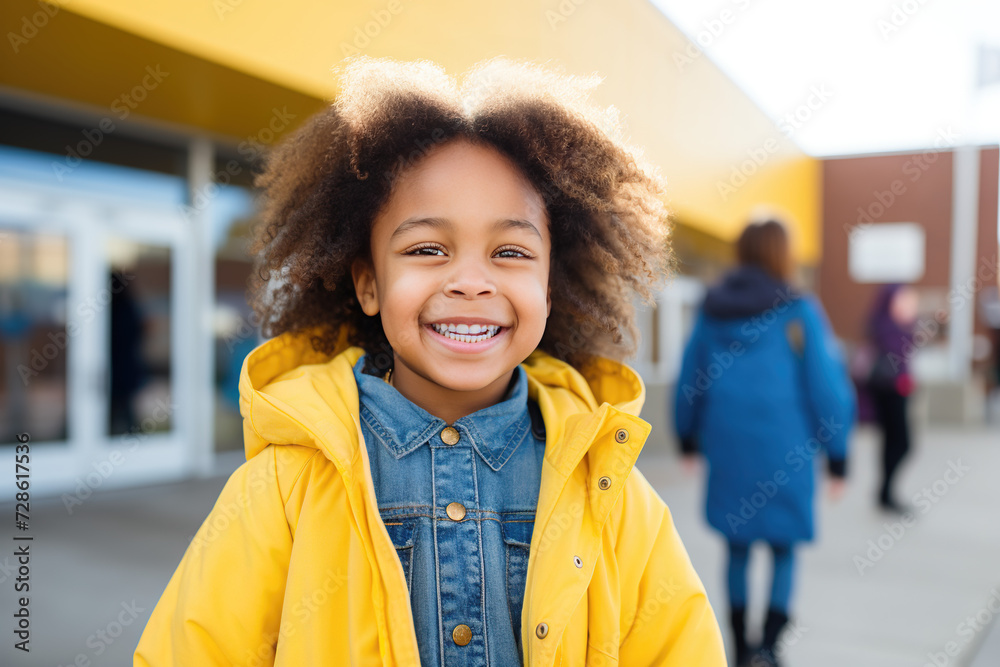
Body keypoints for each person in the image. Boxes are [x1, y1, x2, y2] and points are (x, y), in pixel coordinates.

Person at [134, 58, 726, 666]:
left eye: (511, 251)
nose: (471, 281)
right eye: (426, 248)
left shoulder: (611, 491)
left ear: (551, 288)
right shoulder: (288, 486)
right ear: (368, 284)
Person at [673, 219, 854, 667]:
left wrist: (687, 438)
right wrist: (838, 456)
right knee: (783, 546)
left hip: (729, 446)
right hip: (785, 448)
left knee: (736, 546)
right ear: (782, 253)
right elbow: (826, 386)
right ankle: (769, 650)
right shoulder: (798, 309)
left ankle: (737, 648)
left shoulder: (712, 308)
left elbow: (689, 379)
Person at [865, 284, 918, 513]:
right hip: (890, 391)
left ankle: (885, 493)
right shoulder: (889, 329)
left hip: (894, 390)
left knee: (891, 442)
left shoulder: (899, 328)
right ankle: (886, 491)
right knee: (902, 443)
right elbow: (893, 365)